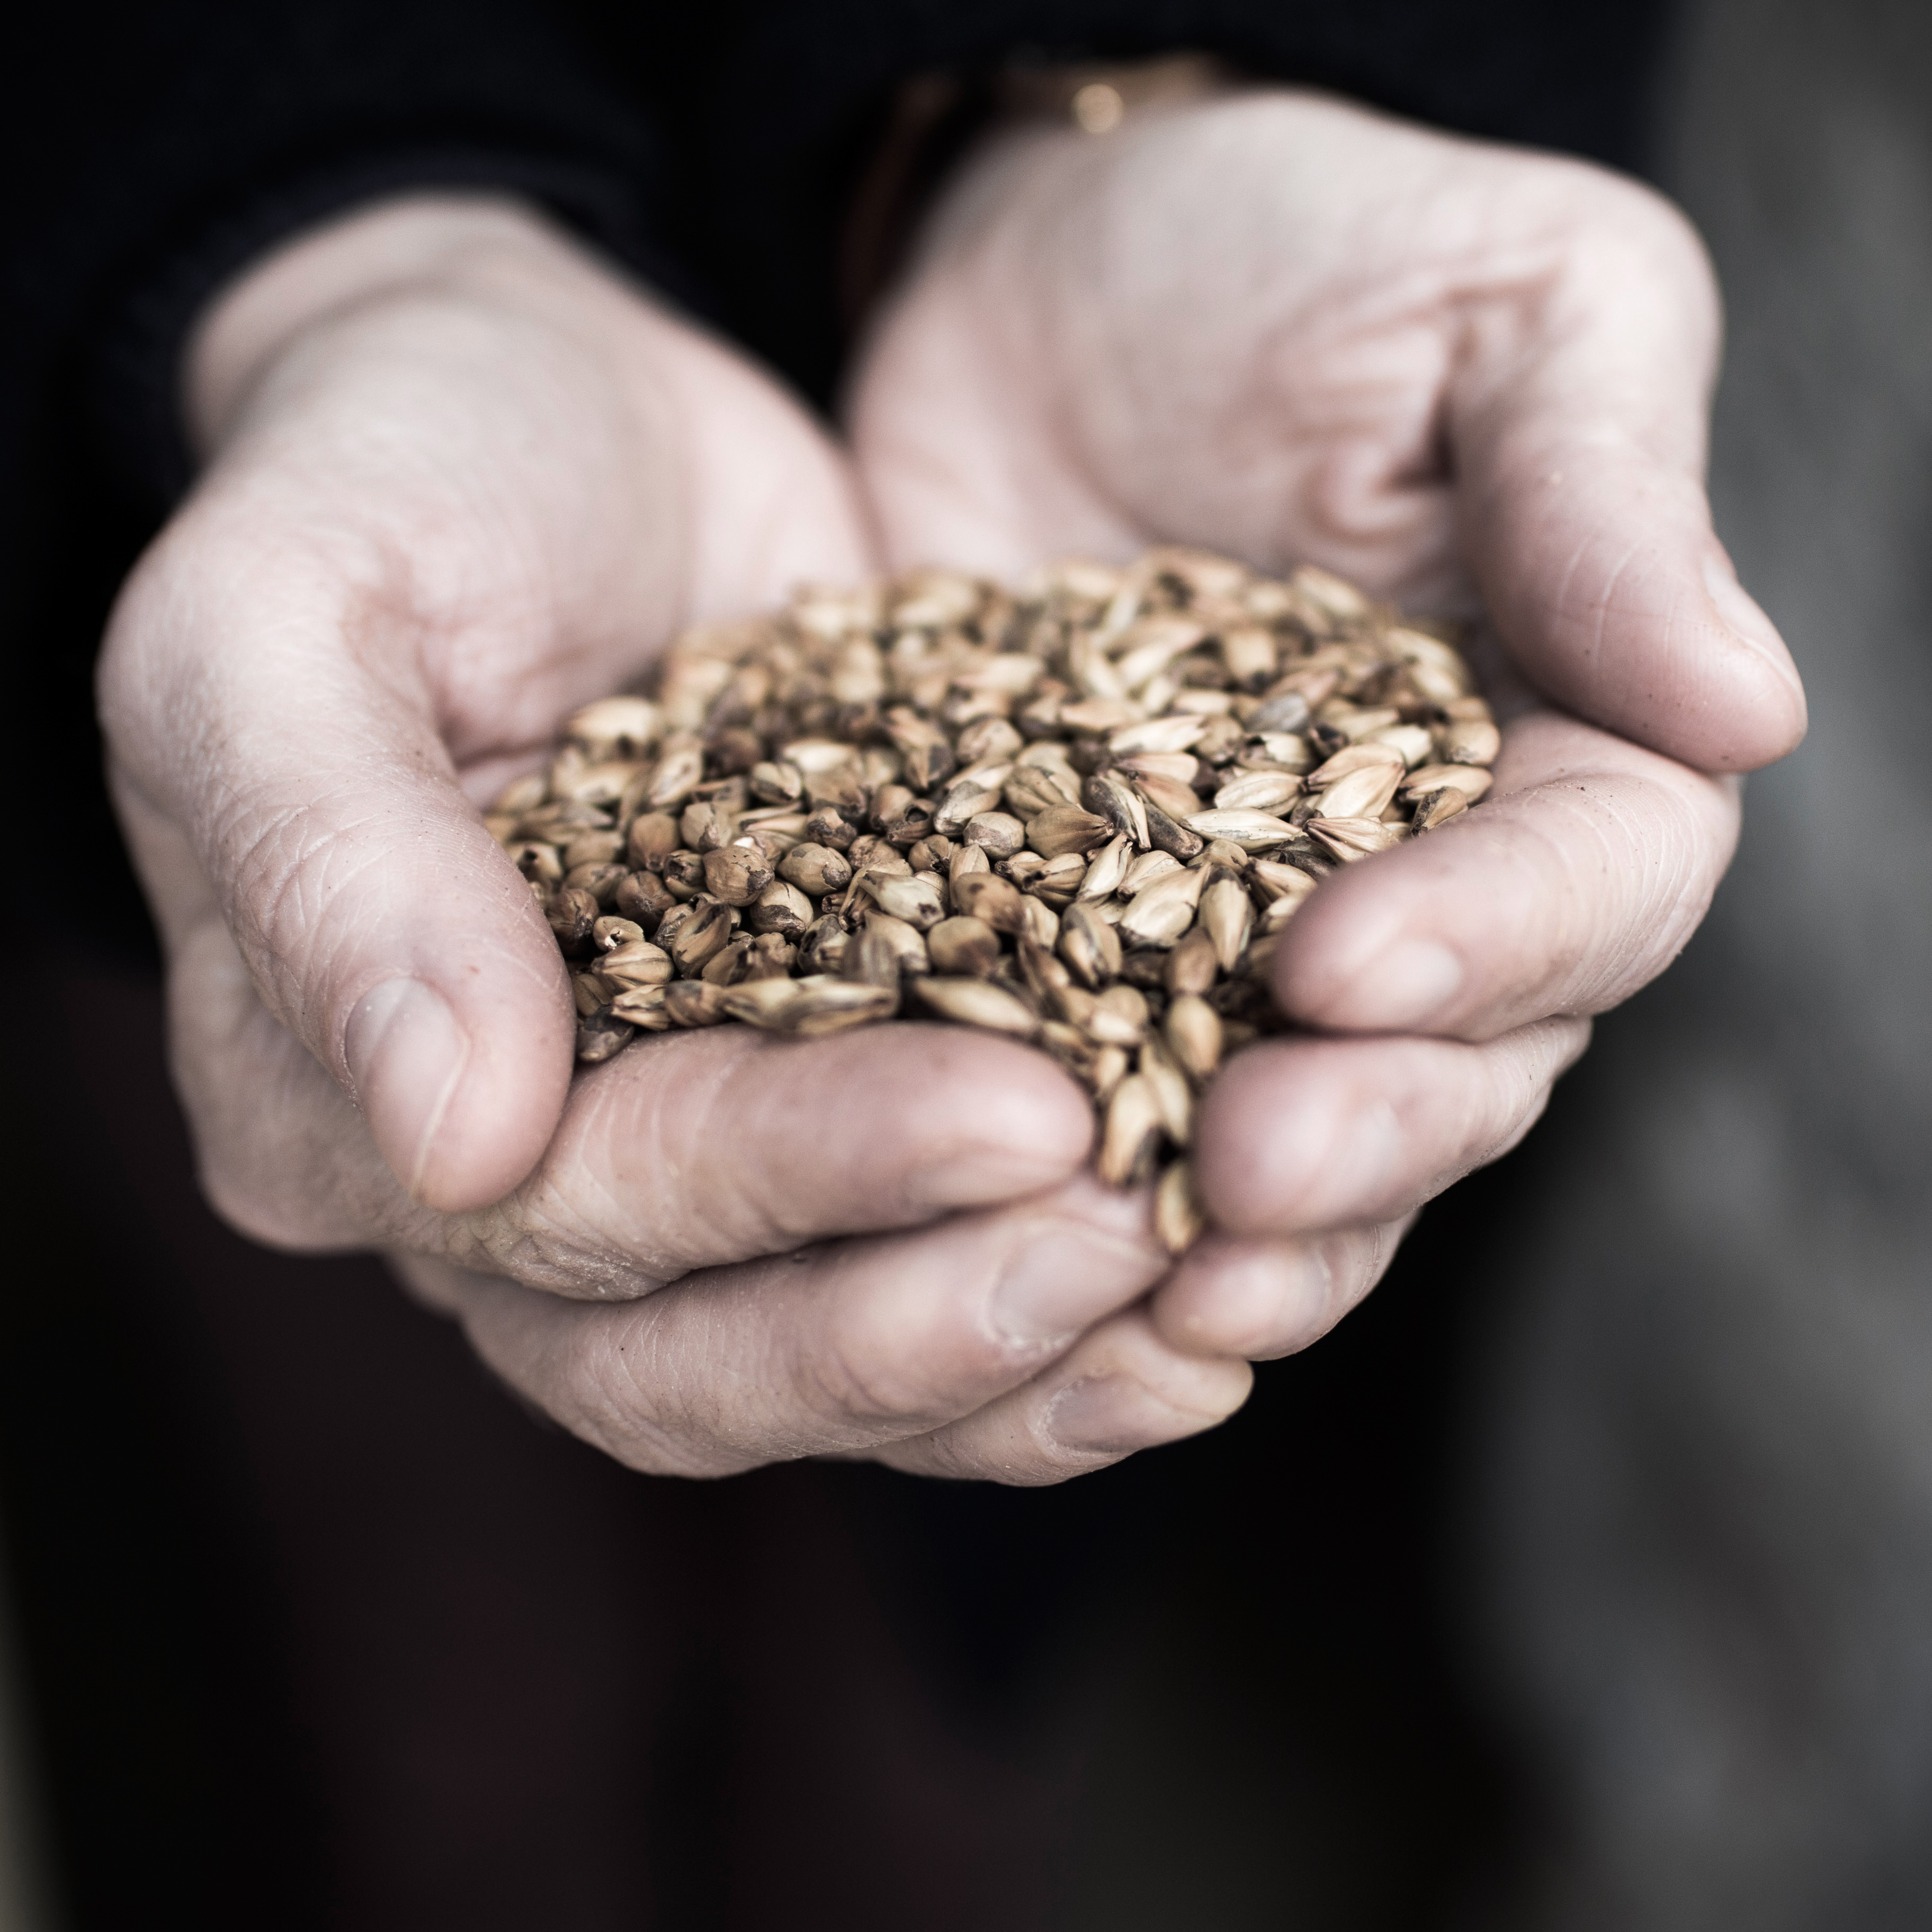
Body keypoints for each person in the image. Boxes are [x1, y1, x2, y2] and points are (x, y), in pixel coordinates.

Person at [0, 0, 1807, 1919]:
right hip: (332, 655)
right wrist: (320, 237)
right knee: (441, 1648)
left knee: (937, 1660)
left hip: (1015, 314)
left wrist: (1177, 69)